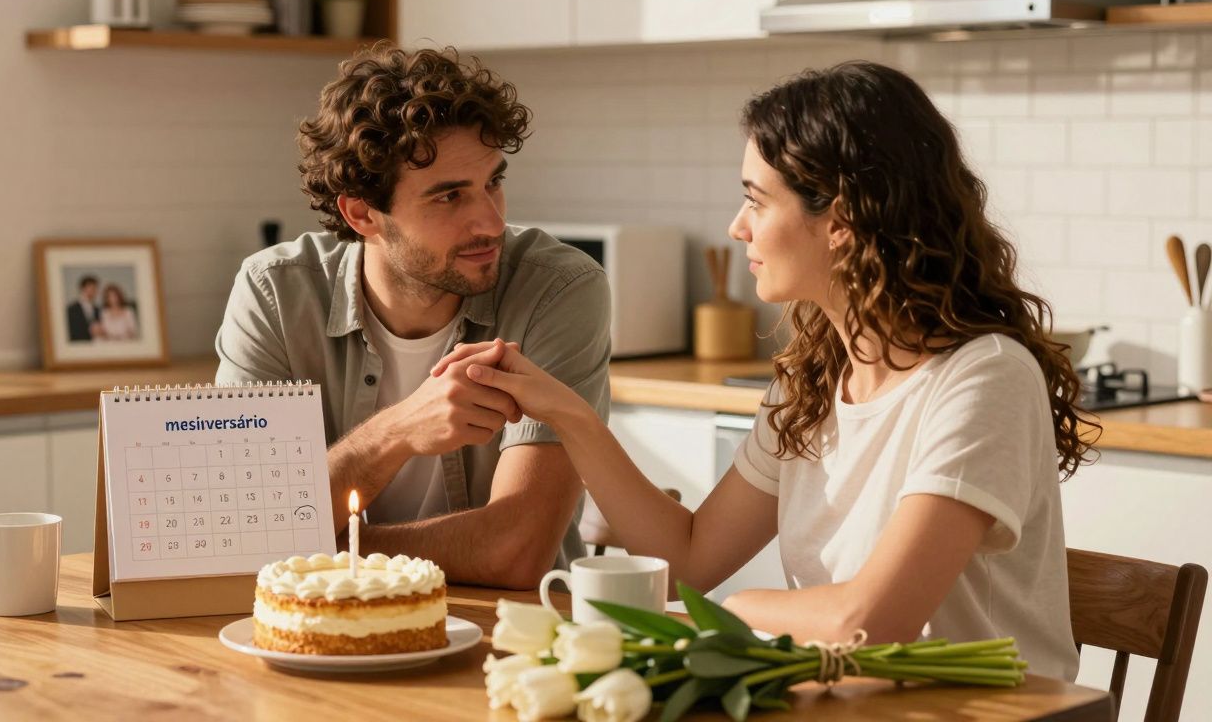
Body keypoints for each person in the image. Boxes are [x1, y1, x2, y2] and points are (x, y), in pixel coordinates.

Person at [437, 61, 1096, 680]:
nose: (736, 227)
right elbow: (690, 560)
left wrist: (743, 609)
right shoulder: (813, 381)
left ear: (839, 220)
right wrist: (569, 414)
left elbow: (868, 622)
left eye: (756, 200)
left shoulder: (983, 378)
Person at [214, 45, 611, 589]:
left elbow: (514, 553)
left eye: (493, 182)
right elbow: (235, 527)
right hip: (319, 623)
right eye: (449, 197)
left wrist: (314, 545)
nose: (491, 223)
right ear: (362, 213)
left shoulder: (557, 289)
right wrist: (397, 431)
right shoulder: (275, 294)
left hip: (506, 636)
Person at [66, 275, 100, 342]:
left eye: (95, 288)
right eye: (91, 287)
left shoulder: (98, 310)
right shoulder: (71, 309)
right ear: (82, 288)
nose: (94, 291)